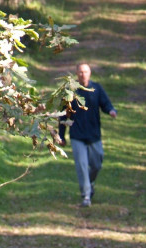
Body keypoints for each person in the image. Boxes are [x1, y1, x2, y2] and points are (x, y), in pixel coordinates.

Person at [58, 63, 116, 207]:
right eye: (80, 72)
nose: (83, 74)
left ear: (90, 73)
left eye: (85, 72)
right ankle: (86, 196)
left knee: (97, 164)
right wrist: (61, 135)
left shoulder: (96, 89)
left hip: (94, 134)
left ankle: (89, 183)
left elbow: (106, 104)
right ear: (77, 74)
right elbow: (63, 115)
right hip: (77, 135)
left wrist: (111, 111)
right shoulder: (70, 91)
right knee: (82, 165)